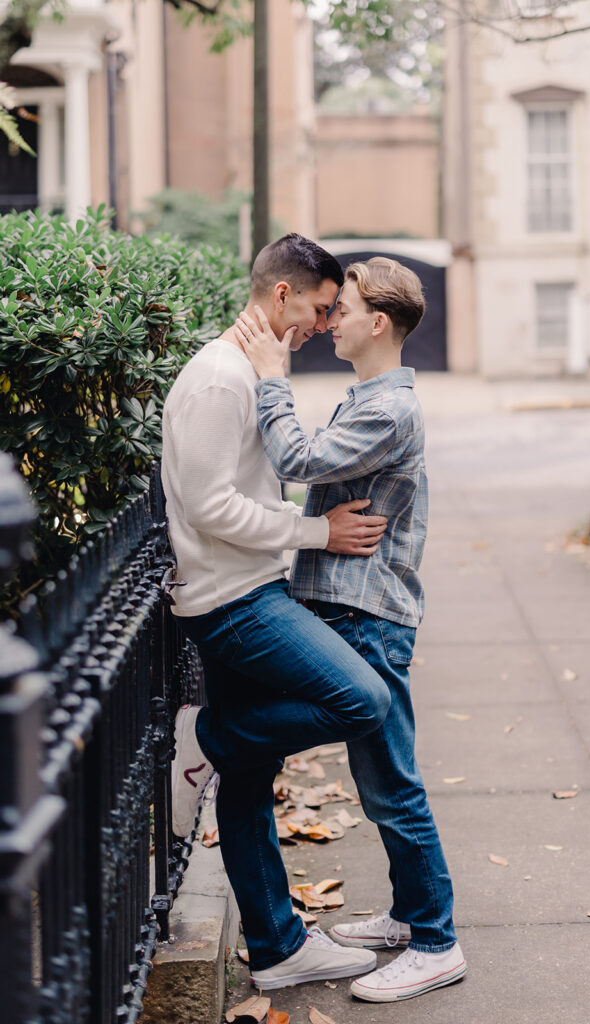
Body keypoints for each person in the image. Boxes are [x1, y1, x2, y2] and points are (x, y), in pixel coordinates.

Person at [162, 234, 394, 990]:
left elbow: (246, 488)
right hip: (234, 603)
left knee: (252, 779)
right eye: (322, 309)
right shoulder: (220, 380)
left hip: (248, 585)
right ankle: (208, 737)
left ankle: (276, 948)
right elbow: (209, 504)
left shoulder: (246, 371)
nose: (326, 325)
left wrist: (297, 516)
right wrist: (314, 530)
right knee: (362, 698)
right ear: (281, 295)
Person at [233, 255, 466, 1003]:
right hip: (352, 609)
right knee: (382, 781)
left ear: (381, 322)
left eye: (348, 306)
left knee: (391, 787)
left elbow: (298, 458)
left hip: (369, 616)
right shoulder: (368, 394)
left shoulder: (387, 408)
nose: (331, 318)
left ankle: (436, 943)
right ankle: (410, 918)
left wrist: (271, 374)